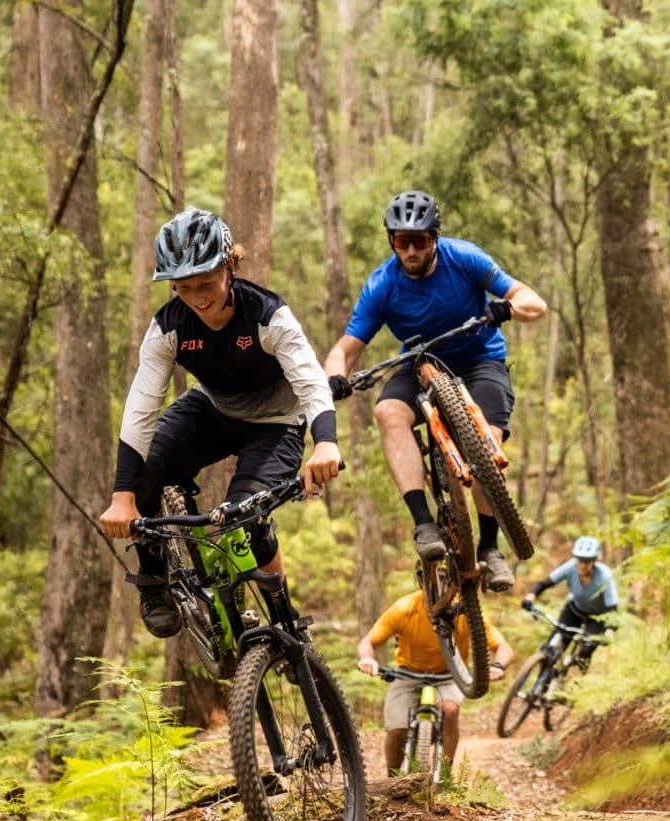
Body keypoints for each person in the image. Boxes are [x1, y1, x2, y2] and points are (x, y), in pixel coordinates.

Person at [99, 206, 341, 637]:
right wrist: (123, 496)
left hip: (276, 422)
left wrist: (325, 442)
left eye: (206, 284)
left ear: (230, 267)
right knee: (146, 470)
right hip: (211, 410)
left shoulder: (268, 314)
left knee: (246, 521)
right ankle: (154, 578)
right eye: (184, 288)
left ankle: (283, 618)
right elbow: (141, 410)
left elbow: (311, 381)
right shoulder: (169, 326)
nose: (198, 298)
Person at [322, 189, 547, 592]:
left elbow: (534, 301)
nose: (409, 250)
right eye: (400, 241)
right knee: (388, 412)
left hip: (480, 360)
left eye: (419, 241)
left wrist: (507, 307)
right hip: (421, 362)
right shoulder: (381, 285)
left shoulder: (466, 259)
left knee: (487, 443)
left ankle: (490, 549)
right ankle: (424, 524)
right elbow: (345, 350)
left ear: (435, 239)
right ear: (391, 240)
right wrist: (335, 377)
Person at [357, 591, 515, 775]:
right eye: (436, 576)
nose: (441, 585)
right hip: (408, 675)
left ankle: (444, 776)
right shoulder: (404, 608)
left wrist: (498, 665)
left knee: (450, 710)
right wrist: (367, 659)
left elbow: (503, 647)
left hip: (449, 676)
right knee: (397, 729)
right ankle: (391, 777)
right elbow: (368, 641)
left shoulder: (464, 610)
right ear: (423, 578)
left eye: (446, 578)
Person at [521, 535, 618, 670]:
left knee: (585, 650)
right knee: (551, 649)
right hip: (574, 610)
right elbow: (544, 583)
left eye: (587, 561)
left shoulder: (604, 576)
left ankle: (573, 674)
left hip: (596, 619)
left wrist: (610, 630)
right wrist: (530, 596)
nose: (582, 565)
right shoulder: (570, 567)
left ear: (594, 561)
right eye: (580, 560)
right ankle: (540, 687)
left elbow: (613, 608)